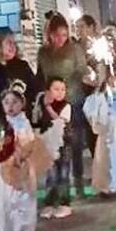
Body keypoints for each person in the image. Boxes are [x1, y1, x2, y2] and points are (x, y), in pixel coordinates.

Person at [37, 15, 96, 199]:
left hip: (73, 101)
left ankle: (78, 183)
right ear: (50, 34)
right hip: (52, 103)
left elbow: (83, 70)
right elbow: (40, 75)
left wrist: (89, 76)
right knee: (54, 145)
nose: (61, 39)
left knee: (75, 143)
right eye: (57, 35)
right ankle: (56, 186)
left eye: (64, 34)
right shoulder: (44, 53)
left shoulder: (74, 50)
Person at [0, 87, 50, 231]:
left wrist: (18, 155)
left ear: (22, 104)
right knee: (5, 202)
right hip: (3, 168)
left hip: (19, 167)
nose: (10, 106)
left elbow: (28, 145)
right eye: (6, 102)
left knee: (21, 201)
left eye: (15, 102)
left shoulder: (23, 124)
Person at [34, 77, 74, 219]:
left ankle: (64, 203)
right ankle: (49, 203)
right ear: (47, 91)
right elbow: (37, 122)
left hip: (63, 145)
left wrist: (48, 107)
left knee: (63, 174)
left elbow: (59, 120)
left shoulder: (66, 106)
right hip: (48, 145)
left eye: (63, 89)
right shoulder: (41, 106)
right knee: (51, 175)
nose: (60, 92)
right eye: (56, 89)